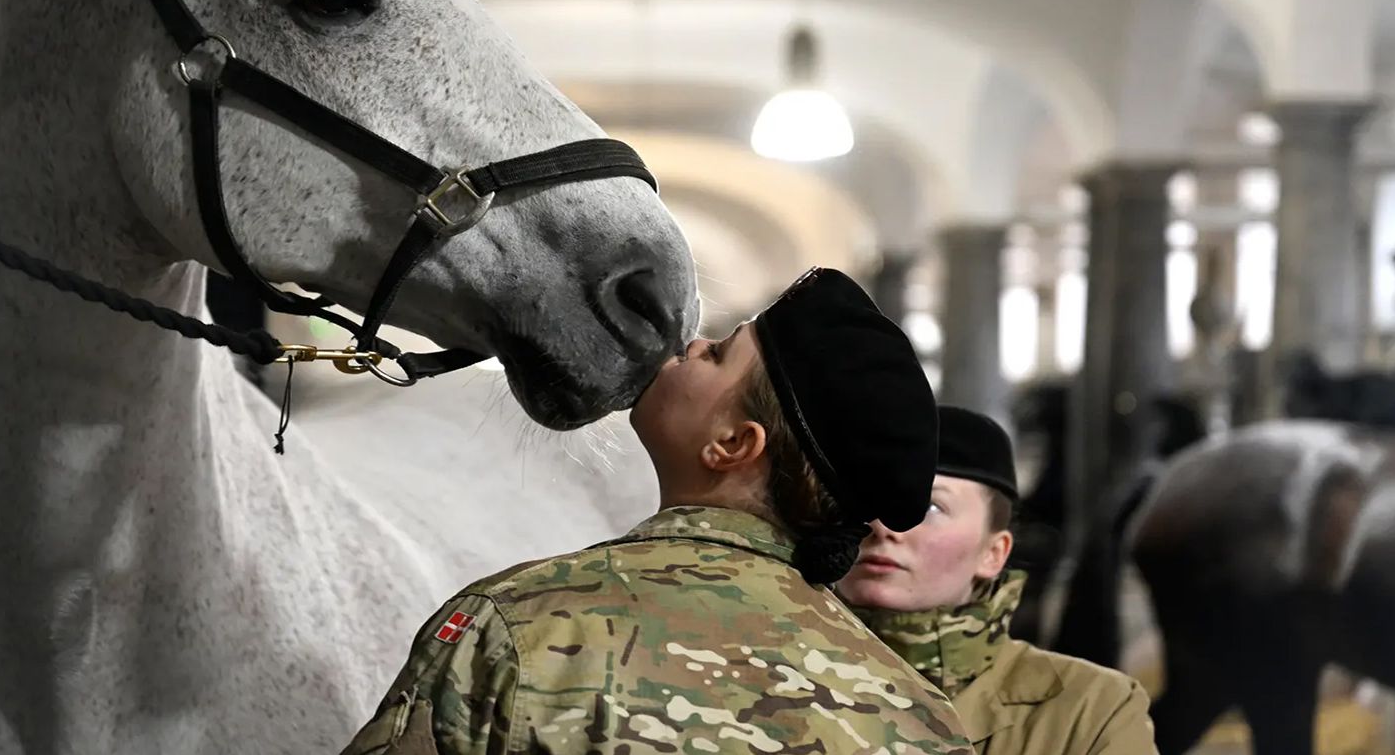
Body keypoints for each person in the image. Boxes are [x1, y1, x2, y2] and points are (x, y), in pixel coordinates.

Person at [342, 268, 975, 754]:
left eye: (721, 353)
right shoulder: (918, 711)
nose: (696, 344)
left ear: (731, 445)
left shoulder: (518, 625)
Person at [836, 405, 1156, 755]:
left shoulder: (1089, 711)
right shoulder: (774, 676)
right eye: (866, 500)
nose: (883, 526)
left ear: (993, 553)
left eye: (930, 508)